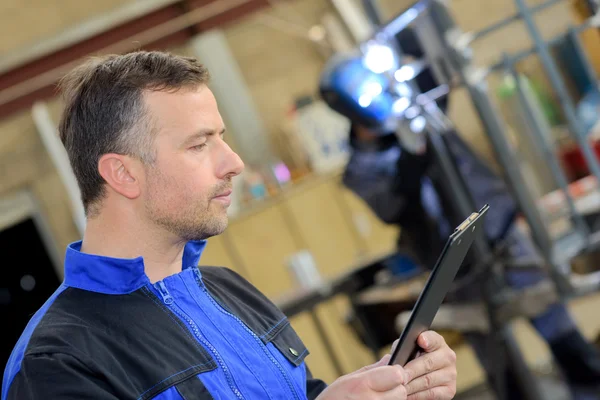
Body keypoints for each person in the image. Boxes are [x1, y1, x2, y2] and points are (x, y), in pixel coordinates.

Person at [2, 51, 458, 400]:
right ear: (123, 174)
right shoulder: (57, 361)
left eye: (222, 137)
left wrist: (385, 384)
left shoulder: (227, 291)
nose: (234, 163)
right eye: (199, 145)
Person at [319, 50, 600, 399]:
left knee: (558, 329)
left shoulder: (416, 108)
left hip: (498, 234)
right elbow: (390, 207)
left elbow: (440, 78)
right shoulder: (362, 166)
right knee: (499, 360)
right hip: (452, 265)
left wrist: (411, 59)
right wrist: (409, 161)